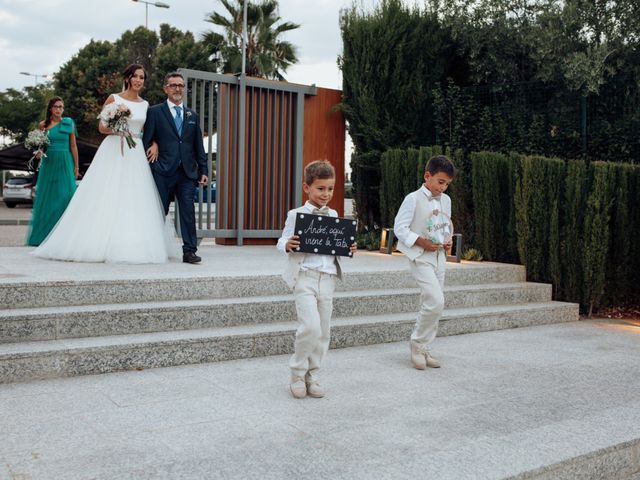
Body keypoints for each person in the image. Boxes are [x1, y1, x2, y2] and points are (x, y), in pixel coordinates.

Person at [33, 64, 180, 263]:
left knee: (134, 198)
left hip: (135, 152)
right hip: (113, 148)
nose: (139, 80)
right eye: (135, 76)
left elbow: (150, 130)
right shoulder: (114, 98)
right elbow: (101, 127)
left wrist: (154, 143)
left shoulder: (145, 105)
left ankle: (132, 243)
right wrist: (116, 127)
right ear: (128, 78)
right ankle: (96, 241)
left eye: (142, 77)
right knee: (106, 193)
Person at [277, 160, 357, 399]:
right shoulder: (296, 215)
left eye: (330, 189)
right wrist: (287, 245)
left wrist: (349, 246)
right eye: (320, 188)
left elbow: (338, 243)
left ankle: (313, 374)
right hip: (305, 277)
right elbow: (281, 241)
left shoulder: (333, 214)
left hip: (328, 278)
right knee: (309, 327)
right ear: (307, 187)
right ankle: (297, 373)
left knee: (323, 330)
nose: (326, 194)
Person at [393, 155, 455, 370]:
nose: (443, 188)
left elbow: (444, 227)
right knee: (435, 300)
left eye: (447, 184)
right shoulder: (412, 198)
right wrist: (421, 242)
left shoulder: (446, 200)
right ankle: (417, 343)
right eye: (440, 182)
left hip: (439, 258)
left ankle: (425, 346)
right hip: (419, 256)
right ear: (427, 176)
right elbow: (399, 228)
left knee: (434, 304)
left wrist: (447, 242)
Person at [142, 72, 208, 264]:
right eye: (173, 85)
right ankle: (152, 249)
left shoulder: (192, 116)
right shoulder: (155, 112)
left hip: (187, 173)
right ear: (166, 89)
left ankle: (189, 251)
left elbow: (198, 146)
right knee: (158, 211)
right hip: (162, 170)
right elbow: (146, 140)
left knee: (188, 212)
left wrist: (203, 170)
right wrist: (154, 143)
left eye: (180, 85)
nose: (177, 88)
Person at [26, 97, 79, 246]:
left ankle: (63, 236)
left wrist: (76, 167)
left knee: (66, 196)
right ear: (50, 108)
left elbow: (73, 146)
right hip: (49, 163)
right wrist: (38, 152)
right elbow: (42, 146)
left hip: (65, 161)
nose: (59, 110)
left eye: (61, 107)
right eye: (56, 107)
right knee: (47, 198)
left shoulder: (68, 123)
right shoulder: (43, 125)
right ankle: (43, 236)